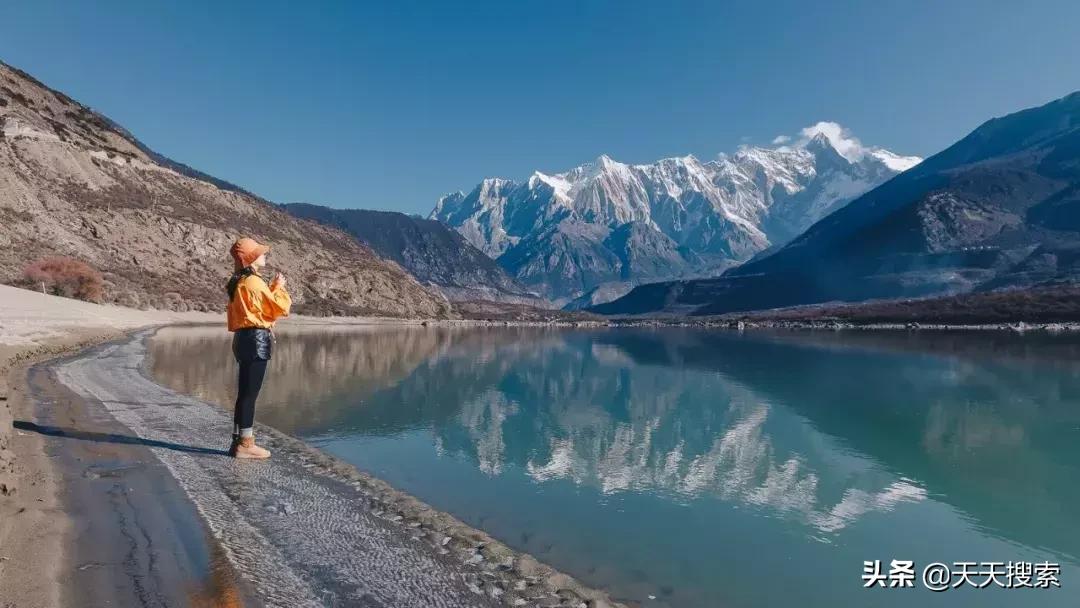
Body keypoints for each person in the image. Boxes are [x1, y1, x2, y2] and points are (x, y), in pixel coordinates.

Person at [225, 237, 291, 459]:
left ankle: (238, 441)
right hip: (256, 340)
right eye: (260, 253)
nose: (264, 255)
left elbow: (258, 308)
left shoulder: (239, 281)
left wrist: (271, 286)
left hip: (243, 339)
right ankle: (245, 444)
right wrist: (279, 288)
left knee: (244, 393)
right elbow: (276, 308)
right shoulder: (253, 282)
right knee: (250, 394)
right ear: (251, 258)